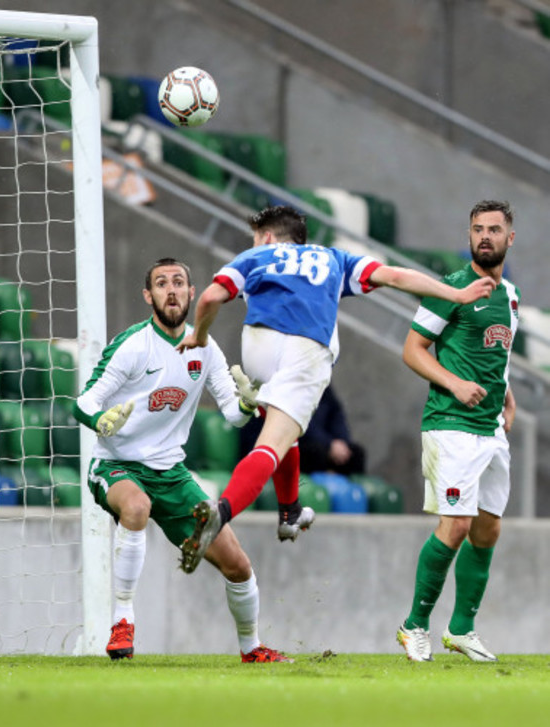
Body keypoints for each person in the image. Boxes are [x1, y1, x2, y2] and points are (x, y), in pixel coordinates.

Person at [176, 205, 497, 575]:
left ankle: (289, 511)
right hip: (306, 349)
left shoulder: (254, 255)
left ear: (267, 236)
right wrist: (454, 295)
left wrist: (199, 336)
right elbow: (395, 275)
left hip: (257, 347)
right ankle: (221, 513)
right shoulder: (334, 259)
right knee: (273, 442)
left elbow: (209, 299)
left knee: (284, 431)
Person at [73, 257, 291, 663]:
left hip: (171, 474)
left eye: (178, 283)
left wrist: (247, 402)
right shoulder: (132, 345)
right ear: (148, 295)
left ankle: (251, 649)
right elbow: (84, 402)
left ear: (192, 294)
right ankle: (123, 623)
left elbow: (231, 414)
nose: (170, 290)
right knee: (136, 506)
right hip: (117, 465)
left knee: (239, 566)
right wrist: (100, 419)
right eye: (161, 283)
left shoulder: (205, 348)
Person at [396, 200, 519, 663]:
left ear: (510, 238)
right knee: (456, 525)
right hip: (450, 424)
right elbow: (412, 349)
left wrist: (505, 395)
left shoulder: (510, 296)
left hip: (490, 429)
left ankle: (462, 629)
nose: (484, 236)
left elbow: (494, 356)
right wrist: (453, 382)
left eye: (493, 229)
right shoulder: (450, 288)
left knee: (487, 529)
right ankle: (413, 626)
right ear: (468, 236)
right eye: (477, 229)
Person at [298, 385, 366, 476]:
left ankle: (355, 489)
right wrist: (329, 444)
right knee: (315, 452)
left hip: (329, 443)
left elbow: (336, 414)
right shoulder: (295, 386)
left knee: (355, 453)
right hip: (304, 442)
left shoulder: (324, 386)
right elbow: (301, 422)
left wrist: (342, 442)